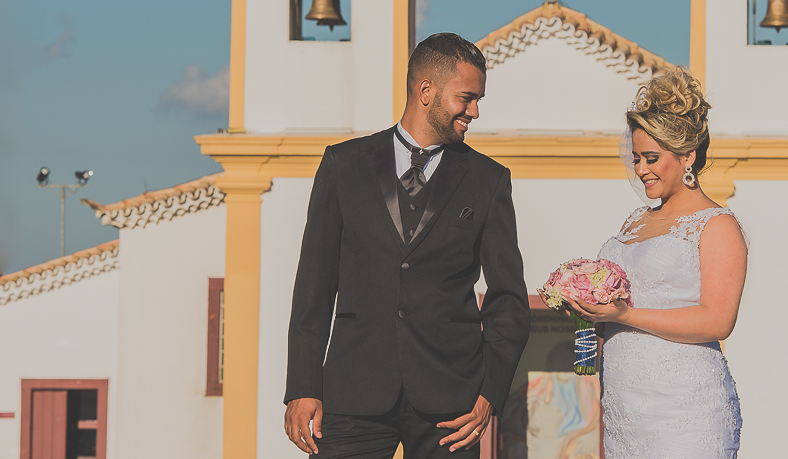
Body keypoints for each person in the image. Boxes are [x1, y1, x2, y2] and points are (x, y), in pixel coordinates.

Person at [284, 33, 530, 458]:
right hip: (352, 391)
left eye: (478, 100)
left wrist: (490, 392)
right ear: (426, 90)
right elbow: (314, 285)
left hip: (452, 402)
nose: (475, 111)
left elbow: (508, 296)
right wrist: (303, 385)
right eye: (467, 98)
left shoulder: (488, 180)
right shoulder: (343, 165)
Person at [568, 66, 747, 459]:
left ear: (688, 157)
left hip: (685, 408)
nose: (641, 169)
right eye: (636, 158)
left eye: (651, 157)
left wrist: (623, 314)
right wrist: (586, 308)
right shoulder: (635, 220)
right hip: (624, 410)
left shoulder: (716, 226)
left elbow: (718, 321)